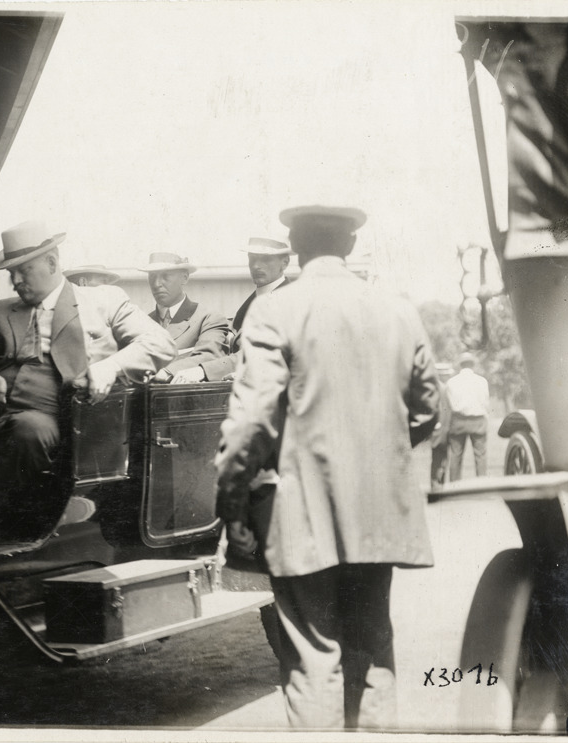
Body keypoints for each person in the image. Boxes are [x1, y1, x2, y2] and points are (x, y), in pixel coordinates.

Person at [215, 205, 439, 730]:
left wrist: (232, 503)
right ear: (351, 246)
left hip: (301, 514)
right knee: (372, 654)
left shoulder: (275, 310)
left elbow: (251, 422)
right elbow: (428, 409)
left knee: (313, 662)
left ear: (295, 249)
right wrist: (375, 457)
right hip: (378, 512)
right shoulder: (399, 310)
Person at [0, 220, 174, 501]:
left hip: (57, 413)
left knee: (28, 431)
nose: (16, 281)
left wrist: (110, 367)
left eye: (24, 270)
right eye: (11, 273)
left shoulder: (103, 301)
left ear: (51, 262)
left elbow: (160, 343)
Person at [179, 236, 293, 384]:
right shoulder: (252, 303)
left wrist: (203, 371)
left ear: (285, 263)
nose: (256, 266)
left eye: (265, 259)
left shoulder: (290, 303)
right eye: (252, 259)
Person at [137, 252, 230, 383]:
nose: (157, 284)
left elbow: (210, 356)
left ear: (185, 278)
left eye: (165, 276)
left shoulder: (208, 318)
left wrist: (167, 371)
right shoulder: (141, 324)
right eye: (152, 276)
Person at [445, 352, 490, 480]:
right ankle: (482, 484)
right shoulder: (482, 381)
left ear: (460, 365)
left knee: (456, 455)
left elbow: (450, 403)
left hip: (458, 420)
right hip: (477, 420)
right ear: (473, 365)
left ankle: (454, 485)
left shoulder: (451, 382)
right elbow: (485, 402)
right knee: (480, 456)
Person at [429, 362, 455, 490]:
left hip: (442, 429)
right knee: (439, 458)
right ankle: (437, 483)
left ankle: (438, 483)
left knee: (440, 458)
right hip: (441, 429)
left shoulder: (439, 387)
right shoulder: (441, 388)